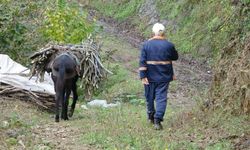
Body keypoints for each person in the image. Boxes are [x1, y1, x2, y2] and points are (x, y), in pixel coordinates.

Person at [139, 23, 178, 130]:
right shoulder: (169, 45)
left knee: (149, 97)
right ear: (163, 33)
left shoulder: (146, 45)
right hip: (164, 76)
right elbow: (175, 57)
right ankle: (158, 120)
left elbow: (142, 61)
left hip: (149, 77)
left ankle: (151, 116)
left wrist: (142, 75)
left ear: (153, 32)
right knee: (161, 98)